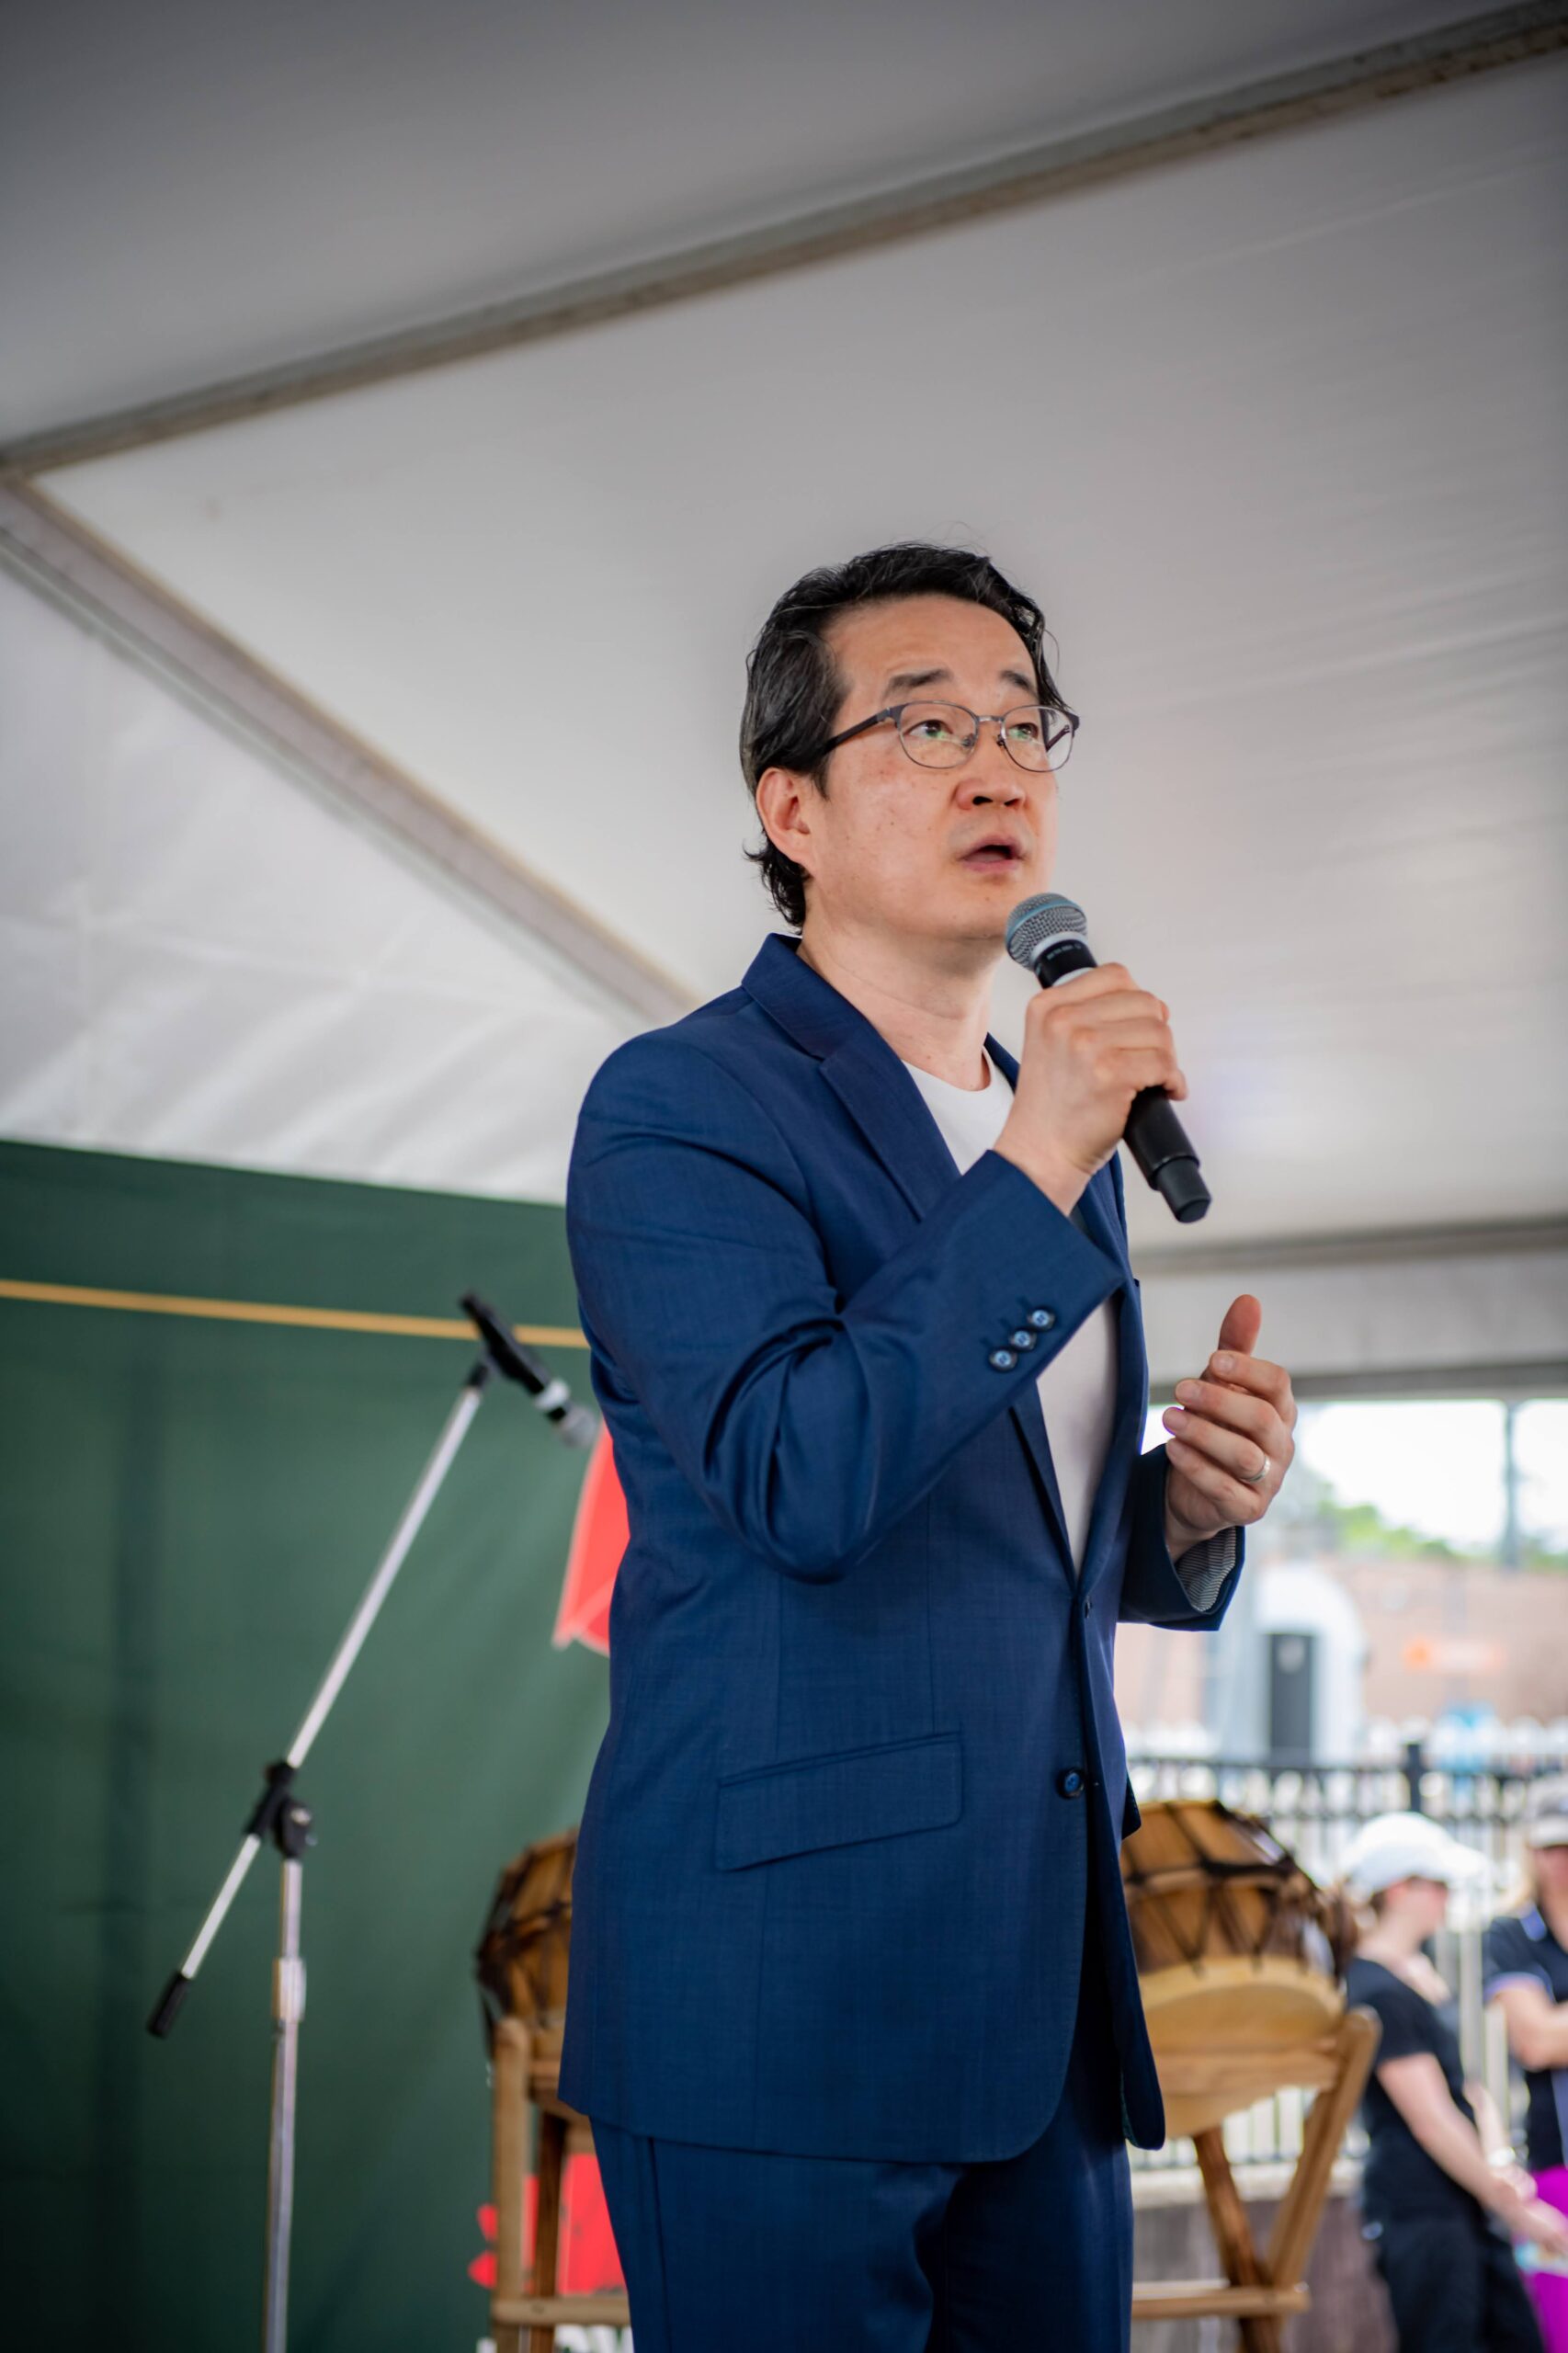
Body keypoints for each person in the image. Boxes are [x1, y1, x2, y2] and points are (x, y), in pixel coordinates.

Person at [559, 542, 1299, 2351]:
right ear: (791, 809)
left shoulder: (1056, 1132)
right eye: (926, 726)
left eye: (1022, 724)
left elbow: (998, 1525)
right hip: (778, 2005)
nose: (996, 766)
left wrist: (1185, 1515)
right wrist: (1038, 1161)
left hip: (1039, 2005)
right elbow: (800, 1475)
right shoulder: (682, 1102)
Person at [1341, 1811, 1567, 2353]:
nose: (1447, 1898)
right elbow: (1432, 2120)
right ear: (1400, 1889)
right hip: (1423, 2209)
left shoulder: (1415, 1975)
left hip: (1464, 2204)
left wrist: (1498, 2163)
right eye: (1438, 1884)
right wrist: (1514, 2206)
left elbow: (1466, 2088)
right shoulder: (1375, 1988)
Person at [1485, 1775, 1568, 2353]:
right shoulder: (1510, 1932)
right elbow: (1534, 2042)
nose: (1561, 1860)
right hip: (1554, 2164)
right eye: (1549, 1846)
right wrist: (1545, 2029)